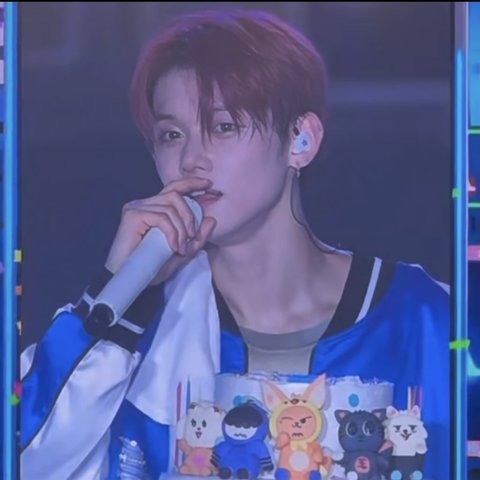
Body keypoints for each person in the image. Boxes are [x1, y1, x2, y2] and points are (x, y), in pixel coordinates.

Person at [20, 9, 449, 480]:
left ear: (300, 140)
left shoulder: (419, 315)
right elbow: (25, 458)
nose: (191, 159)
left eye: (223, 126)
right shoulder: (136, 328)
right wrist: (112, 294)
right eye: (171, 135)